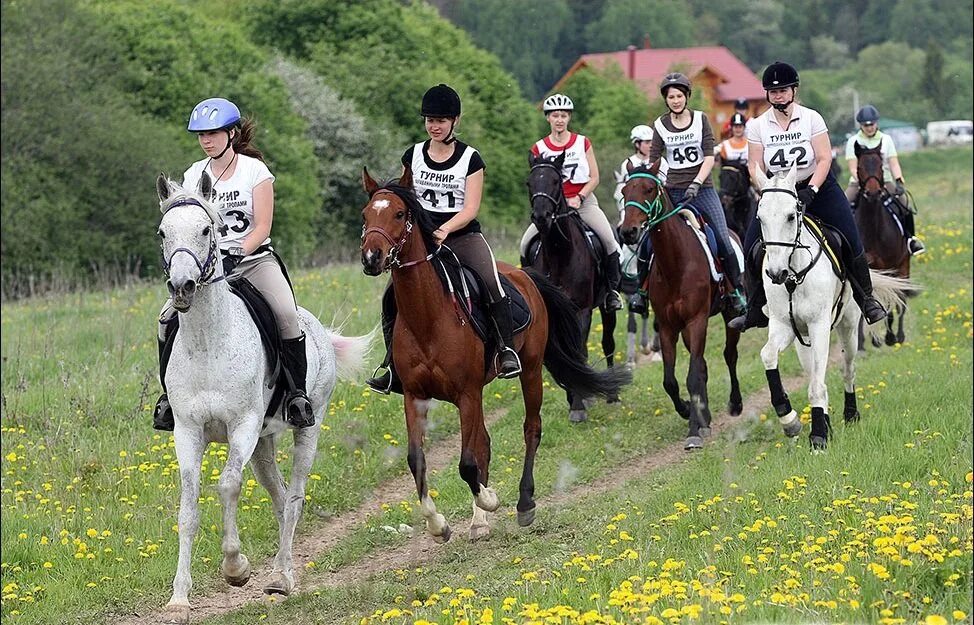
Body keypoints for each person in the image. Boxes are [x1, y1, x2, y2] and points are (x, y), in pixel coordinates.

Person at [153, 97, 315, 430]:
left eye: (212, 133)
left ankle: (297, 396)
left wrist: (238, 251)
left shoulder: (255, 171)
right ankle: (168, 398)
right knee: (166, 317)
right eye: (200, 135)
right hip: (208, 270)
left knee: (286, 314)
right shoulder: (193, 174)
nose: (206, 140)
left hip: (253, 261)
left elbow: (263, 227)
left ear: (231, 133)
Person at [365, 84, 521, 394]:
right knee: (390, 296)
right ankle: (393, 365)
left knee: (491, 281)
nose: (434, 126)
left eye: (441, 120)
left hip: (461, 235)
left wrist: (445, 229)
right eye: (430, 120)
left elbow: (471, 207)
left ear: (455, 122)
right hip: (420, 239)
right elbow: (405, 196)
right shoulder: (414, 155)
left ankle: (505, 351)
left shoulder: (470, 159)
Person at [729, 61, 888, 331]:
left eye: (783, 90)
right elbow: (755, 166)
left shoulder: (812, 118)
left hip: (817, 187)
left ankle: (867, 299)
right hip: (777, 191)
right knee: (751, 245)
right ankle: (755, 308)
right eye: (773, 91)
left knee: (850, 236)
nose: (778, 95)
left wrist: (811, 190)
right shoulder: (757, 126)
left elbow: (824, 158)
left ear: (794, 90)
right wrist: (766, 190)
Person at [634, 72, 746, 318]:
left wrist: (696, 182)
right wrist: (657, 184)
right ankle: (641, 293)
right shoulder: (660, 124)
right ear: (666, 100)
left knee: (723, 240)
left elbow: (708, 155)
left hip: (702, 189)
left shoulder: (700, 119)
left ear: (686, 97)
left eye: (679, 95)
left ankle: (736, 292)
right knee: (649, 242)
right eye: (671, 96)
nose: (675, 100)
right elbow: (654, 160)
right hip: (672, 190)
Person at [519, 93, 624, 311]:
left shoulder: (582, 142)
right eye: (555, 115)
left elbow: (594, 176)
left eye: (564, 115)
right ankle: (528, 290)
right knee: (524, 245)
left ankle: (612, 292)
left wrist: (580, 197)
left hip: (583, 203)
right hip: (552, 208)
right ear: (548, 118)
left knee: (609, 242)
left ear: (569, 118)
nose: (559, 120)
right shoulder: (539, 148)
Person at [844, 104, 925, 255]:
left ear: (876, 123)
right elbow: (852, 166)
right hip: (859, 182)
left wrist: (899, 180)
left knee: (905, 203)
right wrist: (863, 183)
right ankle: (841, 243)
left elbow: (893, 162)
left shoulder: (886, 140)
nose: (869, 128)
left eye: (872, 124)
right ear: (861, 125)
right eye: (866, 125)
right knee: (842, 204)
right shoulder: (853, 141)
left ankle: (911, 239)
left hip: (885, 180)